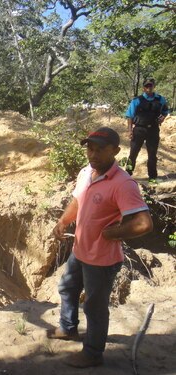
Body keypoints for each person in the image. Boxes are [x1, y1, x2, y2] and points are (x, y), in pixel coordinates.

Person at [48, 127, 153, 368]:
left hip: (102, 258)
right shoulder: (87, 172)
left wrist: (114, 233)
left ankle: (93, 353)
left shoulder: (123, 184)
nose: (93, 154)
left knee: (95, 307)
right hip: (80, 249)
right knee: (67, 287)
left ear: (115, 151)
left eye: (100, 150)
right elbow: (78, 200)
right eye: (90, 148)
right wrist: (64, 221)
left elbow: (144, 223)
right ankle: (68, 328)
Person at [125, 78, 169, 183]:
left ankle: (152, 177)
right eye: (146, 86)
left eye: (150, 86)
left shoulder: (160, 99)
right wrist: (130, 130)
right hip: (139, 129)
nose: (149, 88)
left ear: (154, 86)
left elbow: (166, 110)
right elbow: (129, 116)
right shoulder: (137, 100)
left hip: (153, 130)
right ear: (143, 88)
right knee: (133, 153)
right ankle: (127, 175)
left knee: (152, 154)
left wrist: (163, 117)